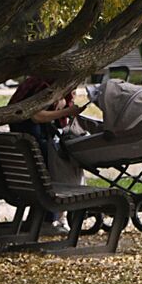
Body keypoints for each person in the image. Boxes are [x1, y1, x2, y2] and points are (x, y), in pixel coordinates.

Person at [8, 75, 85, 232]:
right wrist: (66, 111)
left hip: (19, 177)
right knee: (49, 173)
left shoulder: (33, 84)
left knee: (41, 174)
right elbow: (36, 116)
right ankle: (48, 221)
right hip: (35, 150)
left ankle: (42, 220)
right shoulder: (45, 88)